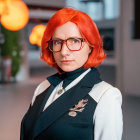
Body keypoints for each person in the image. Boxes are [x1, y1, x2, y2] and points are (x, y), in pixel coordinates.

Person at [20, 8, 123, 140]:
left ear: (91, 45)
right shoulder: (42, 87)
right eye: (57, 42)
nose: (64, 52)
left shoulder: (105, 96)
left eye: (74, 41)